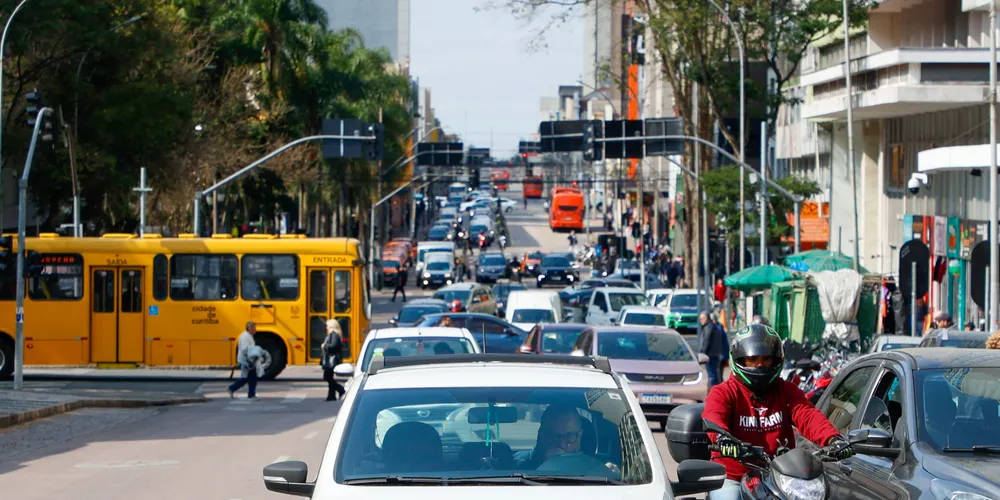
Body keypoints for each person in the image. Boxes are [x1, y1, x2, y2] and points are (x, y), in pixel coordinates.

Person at [703, 324, 853, 500]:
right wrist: (723, 439)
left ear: (776, 360)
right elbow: (713, 416)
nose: (760, 365)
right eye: (752, 359)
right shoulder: (723, 392)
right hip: (733, 477)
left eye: (766, 359)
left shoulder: (786, 390)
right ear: (739, 360)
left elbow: (807, 415)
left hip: (782, 477)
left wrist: (833, 438)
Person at [515, 404, 585, 469]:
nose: (561, 444)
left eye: (569, 436)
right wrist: (546, 468)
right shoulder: (518, 467)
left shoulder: (592, 470)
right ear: (540, 435)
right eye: (553, 436)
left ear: (580, 436)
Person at [228, 321, 259, 400]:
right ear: (249, 328)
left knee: (248, 378)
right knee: (250, 378)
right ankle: (250, 395)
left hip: (249, 361)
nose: (255, 329)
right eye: (254, 328)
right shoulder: (245, 336)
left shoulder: (248, 336)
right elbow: (244, 349)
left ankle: (232, 388)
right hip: (247, 361)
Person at [698, 311, 727, 387]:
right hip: (714, 354)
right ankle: (717, 389)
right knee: (714, 373)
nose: (700, 321)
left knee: (712, 374)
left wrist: (702, 353)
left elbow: (706, 341)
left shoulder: (709, 327)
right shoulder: (712, 326)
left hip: (710, 354)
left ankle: (715, 391)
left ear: (706, 318)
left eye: (701, 319)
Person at [321, 319, 345, 401]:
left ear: (331, 327)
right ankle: (331, 396)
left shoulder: (334, 335)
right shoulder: (332, 335)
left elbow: (334, 346)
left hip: (331, 360)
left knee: (327, 377)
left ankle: (341, 389)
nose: (326, 328)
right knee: (329, 377)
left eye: (327, 326)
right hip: (330, 360)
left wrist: (325, 346)